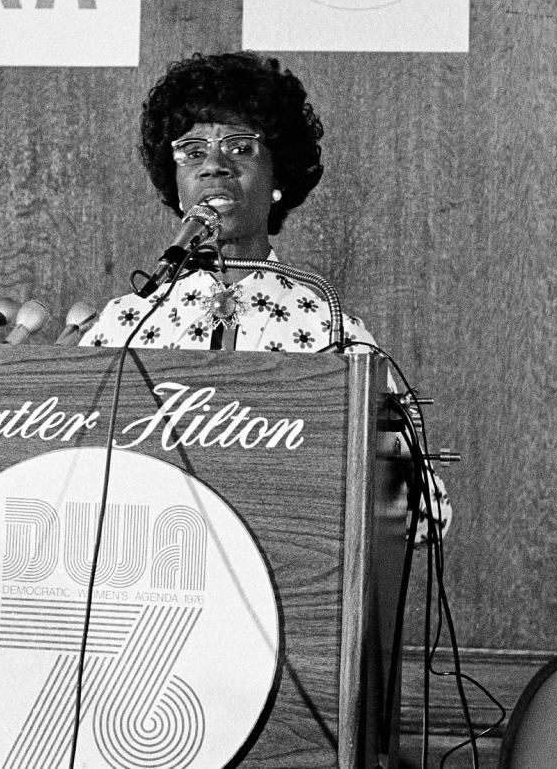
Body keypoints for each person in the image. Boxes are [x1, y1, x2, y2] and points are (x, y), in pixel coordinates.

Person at [80, 50, 450, 540]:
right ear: (176, 183)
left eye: (239, 147)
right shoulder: (124, 323)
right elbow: (72, 480)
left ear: (279, 176)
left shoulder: (328, 326)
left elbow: (430, 513)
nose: (213, 165)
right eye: (192, 152)